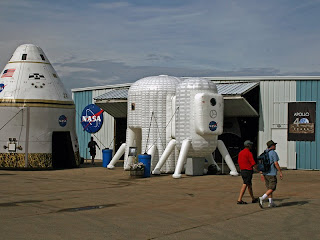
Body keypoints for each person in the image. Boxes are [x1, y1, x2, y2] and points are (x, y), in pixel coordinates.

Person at [259, 140, 283, 208]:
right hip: (271, 173)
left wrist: (261, 173)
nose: (275, 146)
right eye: (274, 145)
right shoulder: (273, 153)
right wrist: (280, 172)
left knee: (269, 188)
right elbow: (276, 163)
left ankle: (271, 202)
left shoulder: (265, 152)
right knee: (272, 188)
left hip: (265, 173)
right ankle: (262, 198)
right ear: (272, 146)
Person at [237, 140, 259, 204]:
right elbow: (253, 163)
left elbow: (239, 161)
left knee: (249, 185)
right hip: (248, 171)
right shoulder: (249, 153)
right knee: (245, 184)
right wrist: (259, 170)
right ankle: (239, 199)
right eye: (251, 145)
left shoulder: (241, 152)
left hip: (242, 170)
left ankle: (253, 198)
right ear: (249, 146)